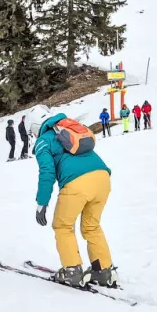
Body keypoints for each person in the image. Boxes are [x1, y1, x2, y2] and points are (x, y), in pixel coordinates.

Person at [33, 112, 117, 287]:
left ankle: (72, 271)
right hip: (102, 178)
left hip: (77, 183)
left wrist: (42, 203)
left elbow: (47, 173)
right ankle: (103, 271)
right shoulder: (71, 130)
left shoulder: (43, 141)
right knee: (91, 226)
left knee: (62, 226)